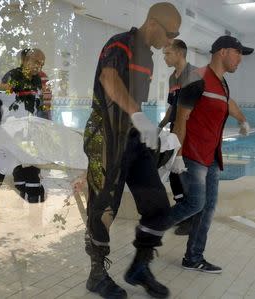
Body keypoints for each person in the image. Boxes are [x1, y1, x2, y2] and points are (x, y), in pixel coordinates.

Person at [83, 3, 181, 299]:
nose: (171, 41)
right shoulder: (120, 44)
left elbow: (133, 97)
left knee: (158, 207)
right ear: (153, 23)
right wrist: (138, 115)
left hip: (133, 139)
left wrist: (155, 135)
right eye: (170, 33)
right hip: (106, 137)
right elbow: (109, 80)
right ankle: (97, 276)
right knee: (104, 208)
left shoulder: (149, 60)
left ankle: (140, 266)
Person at [166, 35, 253, 274]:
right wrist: (178, 155)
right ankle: (153, 224)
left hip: (212, 155)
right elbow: (180, 119)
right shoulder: (196, 78)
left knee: (208, 207)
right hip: (193, 154)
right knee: (196, 203)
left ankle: (193, 257)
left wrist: (243, 120)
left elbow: (228, 103)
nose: (240, 60)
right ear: (223, 52)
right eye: (238, 54)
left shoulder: (222, 83)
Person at [0, 48, 47, 221]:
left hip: (29, 135)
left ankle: (32, 213)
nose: (39, 66)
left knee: (31, 169)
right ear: (26, 60)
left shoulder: (38, 81)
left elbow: (38, 107)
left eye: (42, 63)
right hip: (7, 133)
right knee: (0, 168)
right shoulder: (11, 78)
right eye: (36, 61)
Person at [159, 39, 197, 236]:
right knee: (174, 172)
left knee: (184, 171)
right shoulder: (173, 78)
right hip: (176, 128)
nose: (164, 57)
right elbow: (173, 107)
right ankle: (183, 212)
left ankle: (191, 219)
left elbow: (191, 111)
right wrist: (160, 125)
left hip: (190, 130)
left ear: (180, 54)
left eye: (167, 54)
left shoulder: (194, 75)